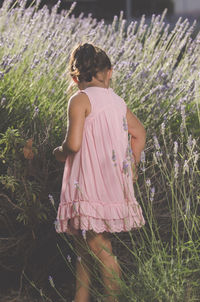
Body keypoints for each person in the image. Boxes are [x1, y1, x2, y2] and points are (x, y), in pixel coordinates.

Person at [53, 43, 146, 302]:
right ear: (110, 72)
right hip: (112, 183)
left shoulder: (79, 99)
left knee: (100, 248)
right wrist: (132, 170)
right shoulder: (117, 102)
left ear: (75, 77)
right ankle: (79, 298)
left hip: (89, 186)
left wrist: (57, 152)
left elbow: (73, 144)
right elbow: (139, 134)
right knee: (84, 247)